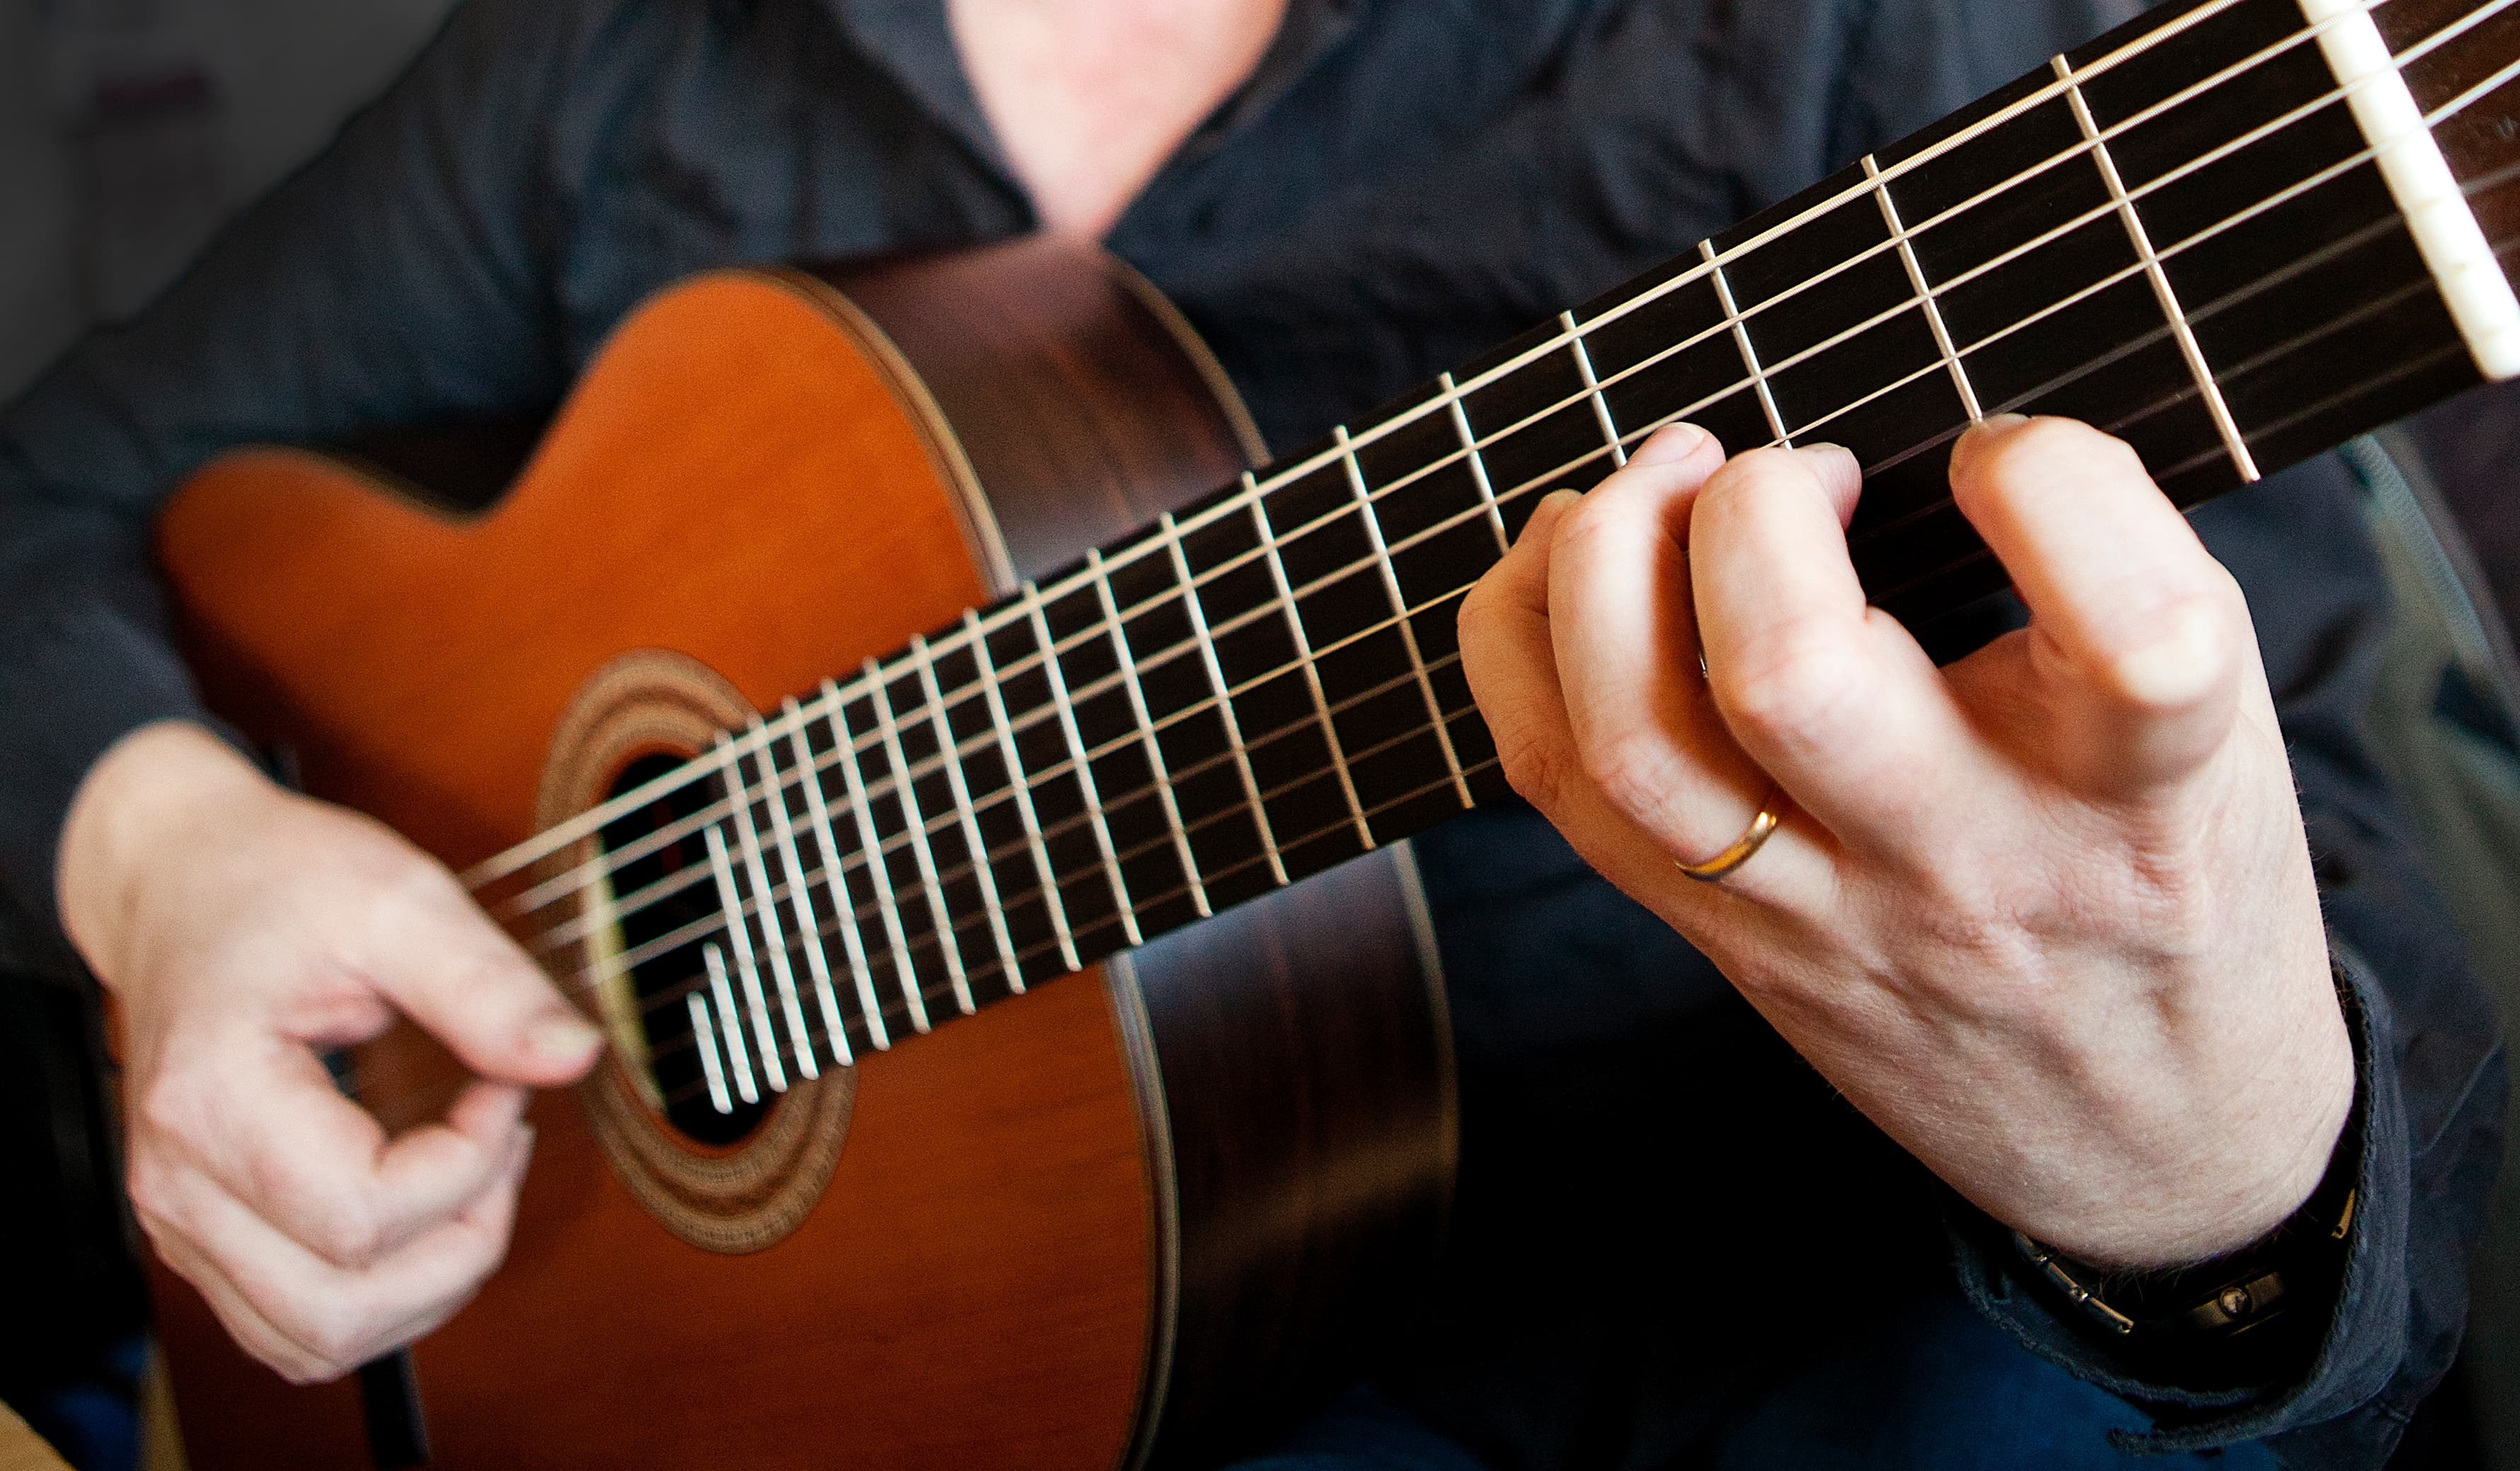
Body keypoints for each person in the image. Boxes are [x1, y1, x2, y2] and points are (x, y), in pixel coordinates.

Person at [0, 0, 2504, 1465]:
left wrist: (2198, 1178)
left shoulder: (1927, 41)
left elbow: (2361, 1088)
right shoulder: (626, 66)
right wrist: (170, 854)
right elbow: (47, 508)